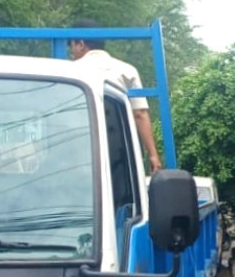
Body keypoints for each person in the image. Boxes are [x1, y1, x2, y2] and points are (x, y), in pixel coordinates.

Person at [68, 20, 163, 173]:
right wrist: (153, 155)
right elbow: (140, 113)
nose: (71, 53)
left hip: (77, 152)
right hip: (119, 151)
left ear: (80, 44)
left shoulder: (70, 71)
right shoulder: (127, 70)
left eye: (71, 46)